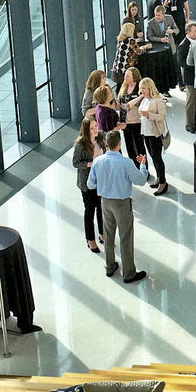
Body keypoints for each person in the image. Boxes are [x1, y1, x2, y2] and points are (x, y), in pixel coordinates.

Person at [88, 131, 148, 283]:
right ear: (119, 144)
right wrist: (143, 166)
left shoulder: (97, 161)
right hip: (121, 203)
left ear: (106, 144)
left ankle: (110, 266)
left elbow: (90, 183)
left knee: (108, 234)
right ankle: (128, 274)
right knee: (125, 236)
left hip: (105, 202)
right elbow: (140, 181)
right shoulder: (125, 162)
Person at [71, 117, 104, 253]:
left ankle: (102, 233)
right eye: (91, 128)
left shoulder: (101, 138)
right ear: (86, 130)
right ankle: (90, 239)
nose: (95, 129)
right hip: (87, 183)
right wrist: (89, 164)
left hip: (101, 181)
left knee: (101, 208)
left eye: (96, 126)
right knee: (90, 210)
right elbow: (75, 163)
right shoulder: (80, 145)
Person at [137, 78, 169, 195]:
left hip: (155, 134)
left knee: (157, 157)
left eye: (143, 88)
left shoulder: (158, 100)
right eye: (140, 88)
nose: (141, 91)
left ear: (150, 88)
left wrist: (148, 114)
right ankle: (159, 178)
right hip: (146, 132)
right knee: (152, 156)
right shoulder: (144, 99)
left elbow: (162, 117)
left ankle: (163, 183)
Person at [116, 67, 144, 159]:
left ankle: (143, 168)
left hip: (136, 121)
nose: (125, 77)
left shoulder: (139, 88)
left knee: (139, 146)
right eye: (125, 75)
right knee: (129, 147)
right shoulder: (124, 86)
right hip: (125, 122)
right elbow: (119, 99)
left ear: (134, 77)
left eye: (128, 76)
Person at [178, 22, 196, 132]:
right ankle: (190, 124)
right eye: (195, 31)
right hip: (190, 78)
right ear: (188, 32)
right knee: (191, 102)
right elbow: (181, 62)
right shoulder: (183, 45)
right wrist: (194, 65)